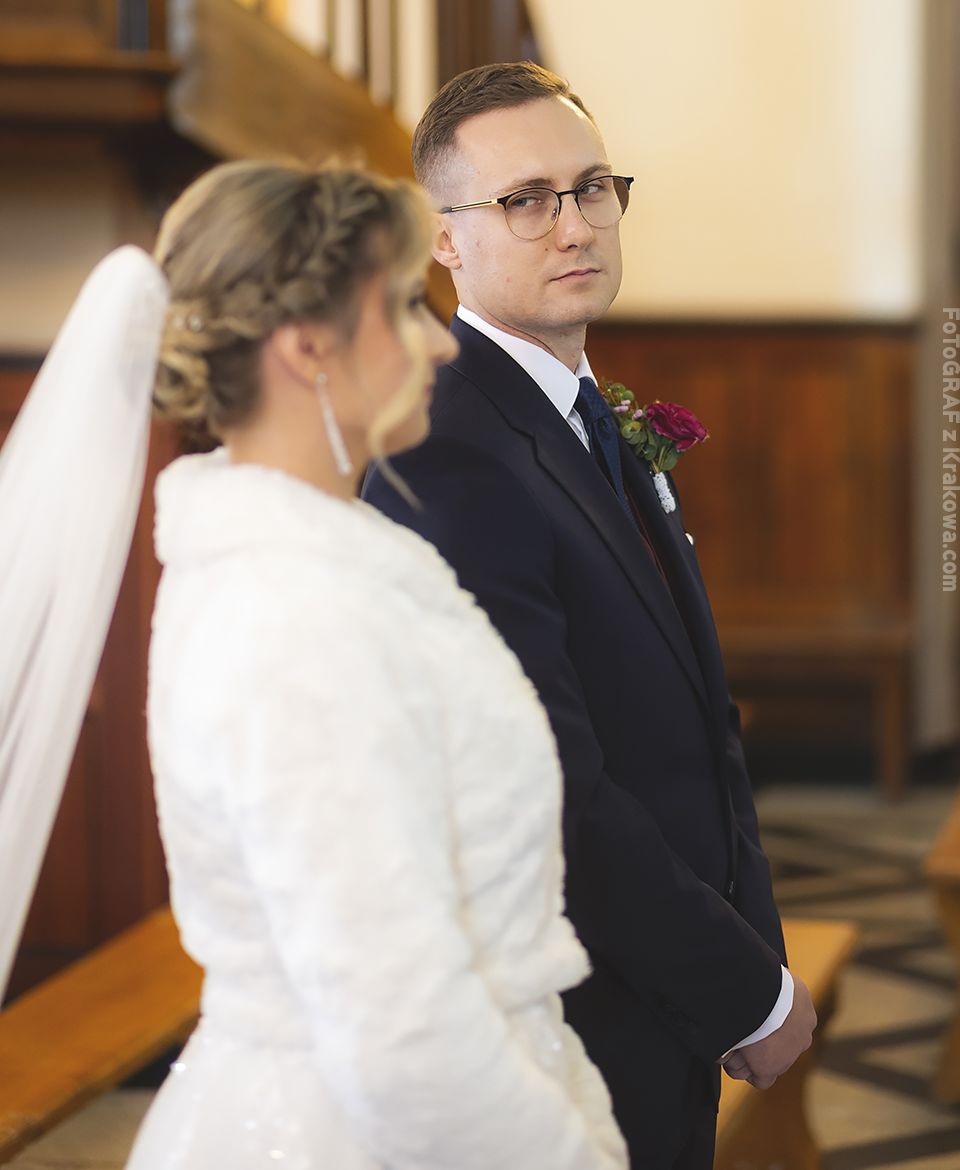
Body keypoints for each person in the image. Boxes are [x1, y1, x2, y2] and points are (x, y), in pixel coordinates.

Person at [0, 161, 627, 1169]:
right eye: (402, 306)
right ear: (307, 348)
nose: (439, 340)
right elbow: (403, 1031)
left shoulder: (338, 564)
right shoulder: (294, 617)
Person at [364, 64, 817, 1170]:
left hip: (661, 987)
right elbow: (547, 790)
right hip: (576, 1015)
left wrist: (752, 940)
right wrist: (744, 991)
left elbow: (701, 718)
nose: (574, 226)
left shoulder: (581, 411)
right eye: (525, 199)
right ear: (444, 238)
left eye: (592, 187)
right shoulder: (449, 451)